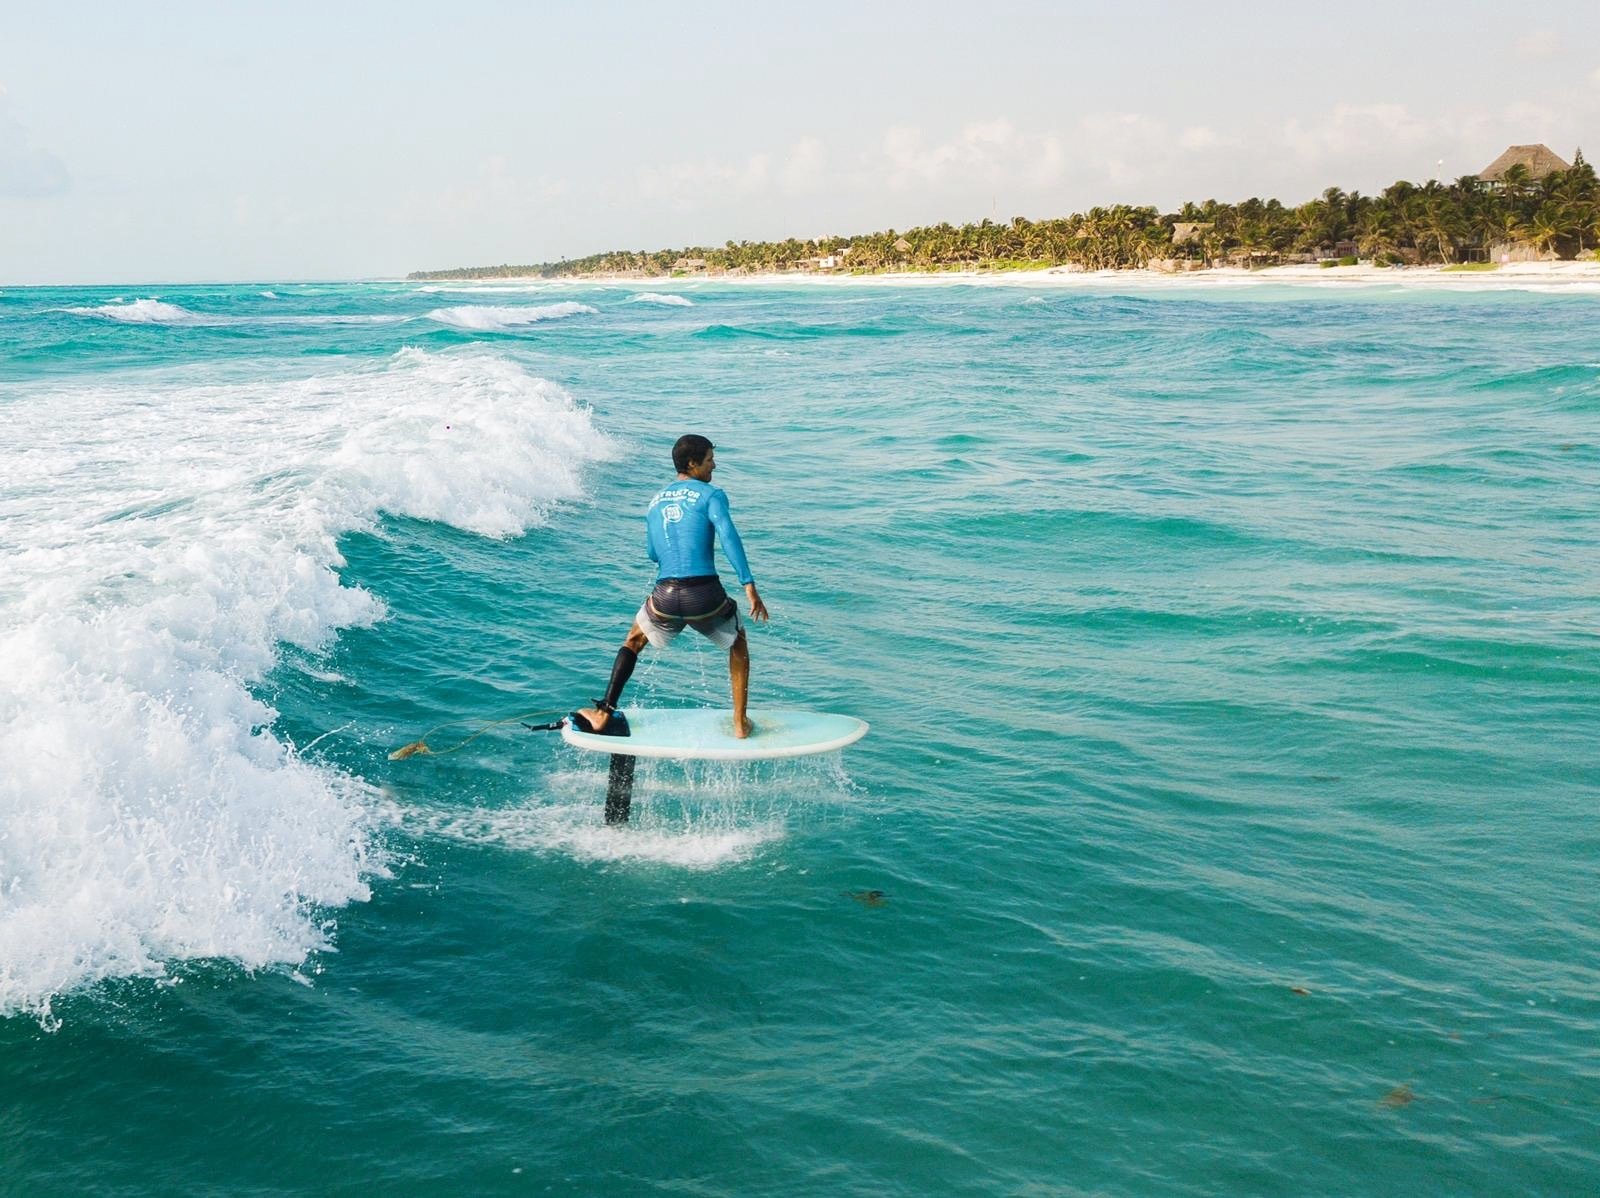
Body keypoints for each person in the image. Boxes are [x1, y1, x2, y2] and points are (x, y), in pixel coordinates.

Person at [576, 434, 769, 738]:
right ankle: (739, 723)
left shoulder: (654, 502)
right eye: (709, 460)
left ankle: (603, 712)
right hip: (705, 595)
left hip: (664, 596)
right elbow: (728, 536)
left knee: (633, 641)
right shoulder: (711, 494)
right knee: (738, 641)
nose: (714, 465)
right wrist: (749, 585)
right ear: (692, 464)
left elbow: (653, 553)